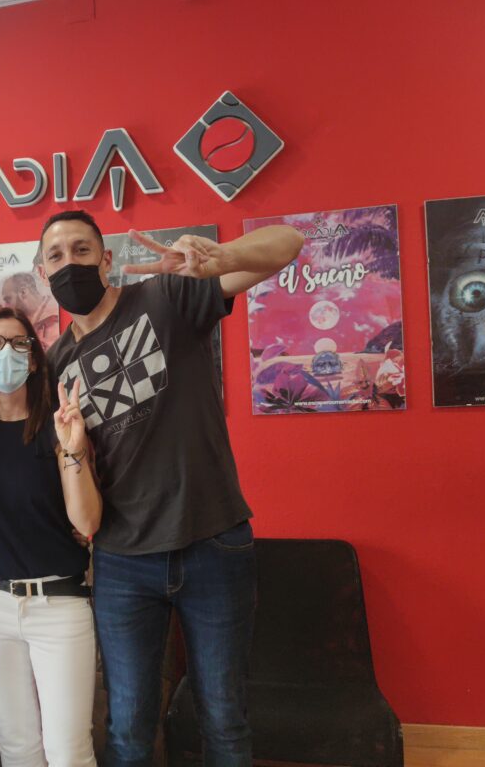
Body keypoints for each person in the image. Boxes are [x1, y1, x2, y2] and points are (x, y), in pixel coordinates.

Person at [38, 210, 303, 767]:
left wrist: (223, 258)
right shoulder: (57, 365)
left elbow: (288, 243)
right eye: (56, 256)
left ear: (106, 259)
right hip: (121, 561)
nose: (69, 264)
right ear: (43, 273)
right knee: (129, 727)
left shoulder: (166, 298)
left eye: (82, 250)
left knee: (224, 719)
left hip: (214, 542)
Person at [0, 306, 101, 767]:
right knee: (17, 746)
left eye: (19, 343)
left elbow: (87, 522)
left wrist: (73, 450)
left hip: (59, 606)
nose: (7, 352)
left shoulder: (59, 427)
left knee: (69, 751)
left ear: (35, 359)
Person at [1, 272, 60, 349]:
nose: (5, 306)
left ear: (23, 292)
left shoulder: (56, 318)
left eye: (8, 299)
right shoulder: (23, 321)